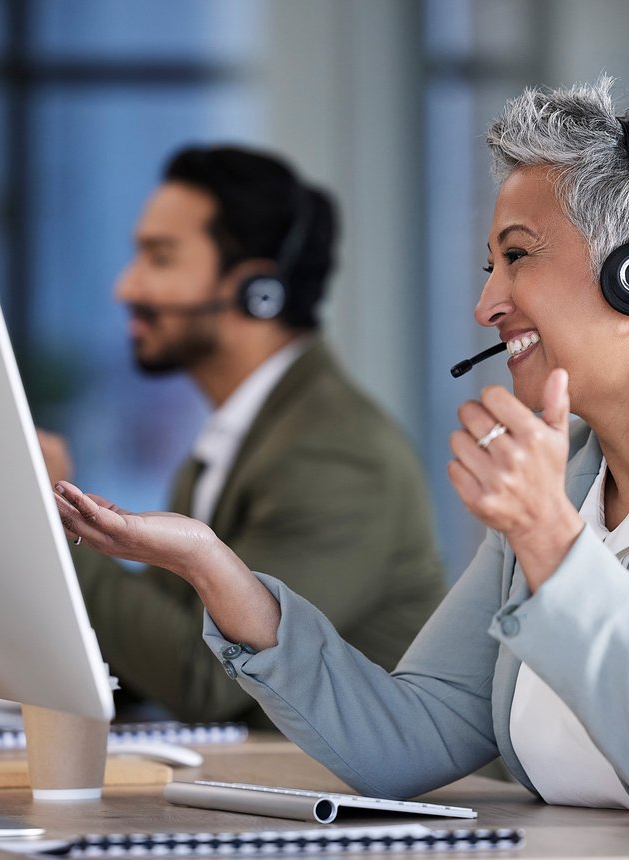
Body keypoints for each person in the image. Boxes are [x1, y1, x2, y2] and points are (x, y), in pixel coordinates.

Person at [52, 84, 629, 855]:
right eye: (491, 265)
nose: (486, 302)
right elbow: (405, 737)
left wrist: (549, 541)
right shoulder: (563, 487)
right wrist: (214, 567)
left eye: (517, 256)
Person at [40, 145, 447, 727]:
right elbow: (168, 647)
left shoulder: (335, 454)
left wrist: (52, 526)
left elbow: (208, 679)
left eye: (159, 258)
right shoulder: (235, 440)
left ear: (258, 289)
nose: (126, 287)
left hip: (373, 808)